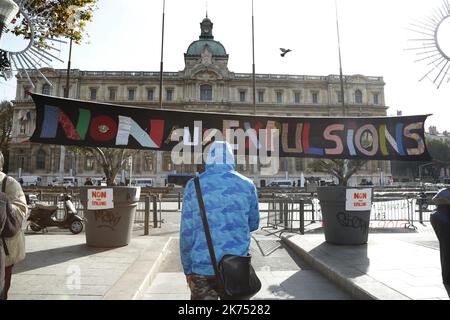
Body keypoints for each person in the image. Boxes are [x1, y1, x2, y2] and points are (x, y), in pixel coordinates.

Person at [180, 141, 260, 300]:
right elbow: (253, 224)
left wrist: (188, 269)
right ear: (231, 158)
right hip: (236, 268)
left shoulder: (193, 185)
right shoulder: (247, 185)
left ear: (208, 159)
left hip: (202, 269)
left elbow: (187, 232)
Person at [0, 151, 27, 300]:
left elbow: (21, 209)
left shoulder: (8, 183)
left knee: (2, 286)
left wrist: (2, 204)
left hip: (4, 246)